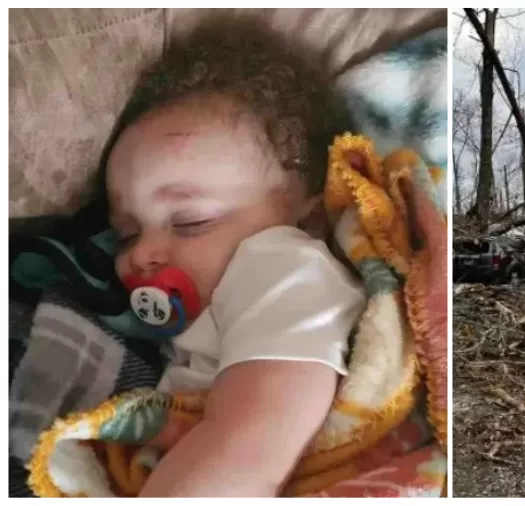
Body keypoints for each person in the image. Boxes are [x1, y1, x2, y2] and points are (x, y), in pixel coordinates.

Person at [103, 17, 371, 497]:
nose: (141, 253)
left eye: (190, 222)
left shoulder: (283, 267)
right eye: (125, 234)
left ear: (306, 223)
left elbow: (251, 443)